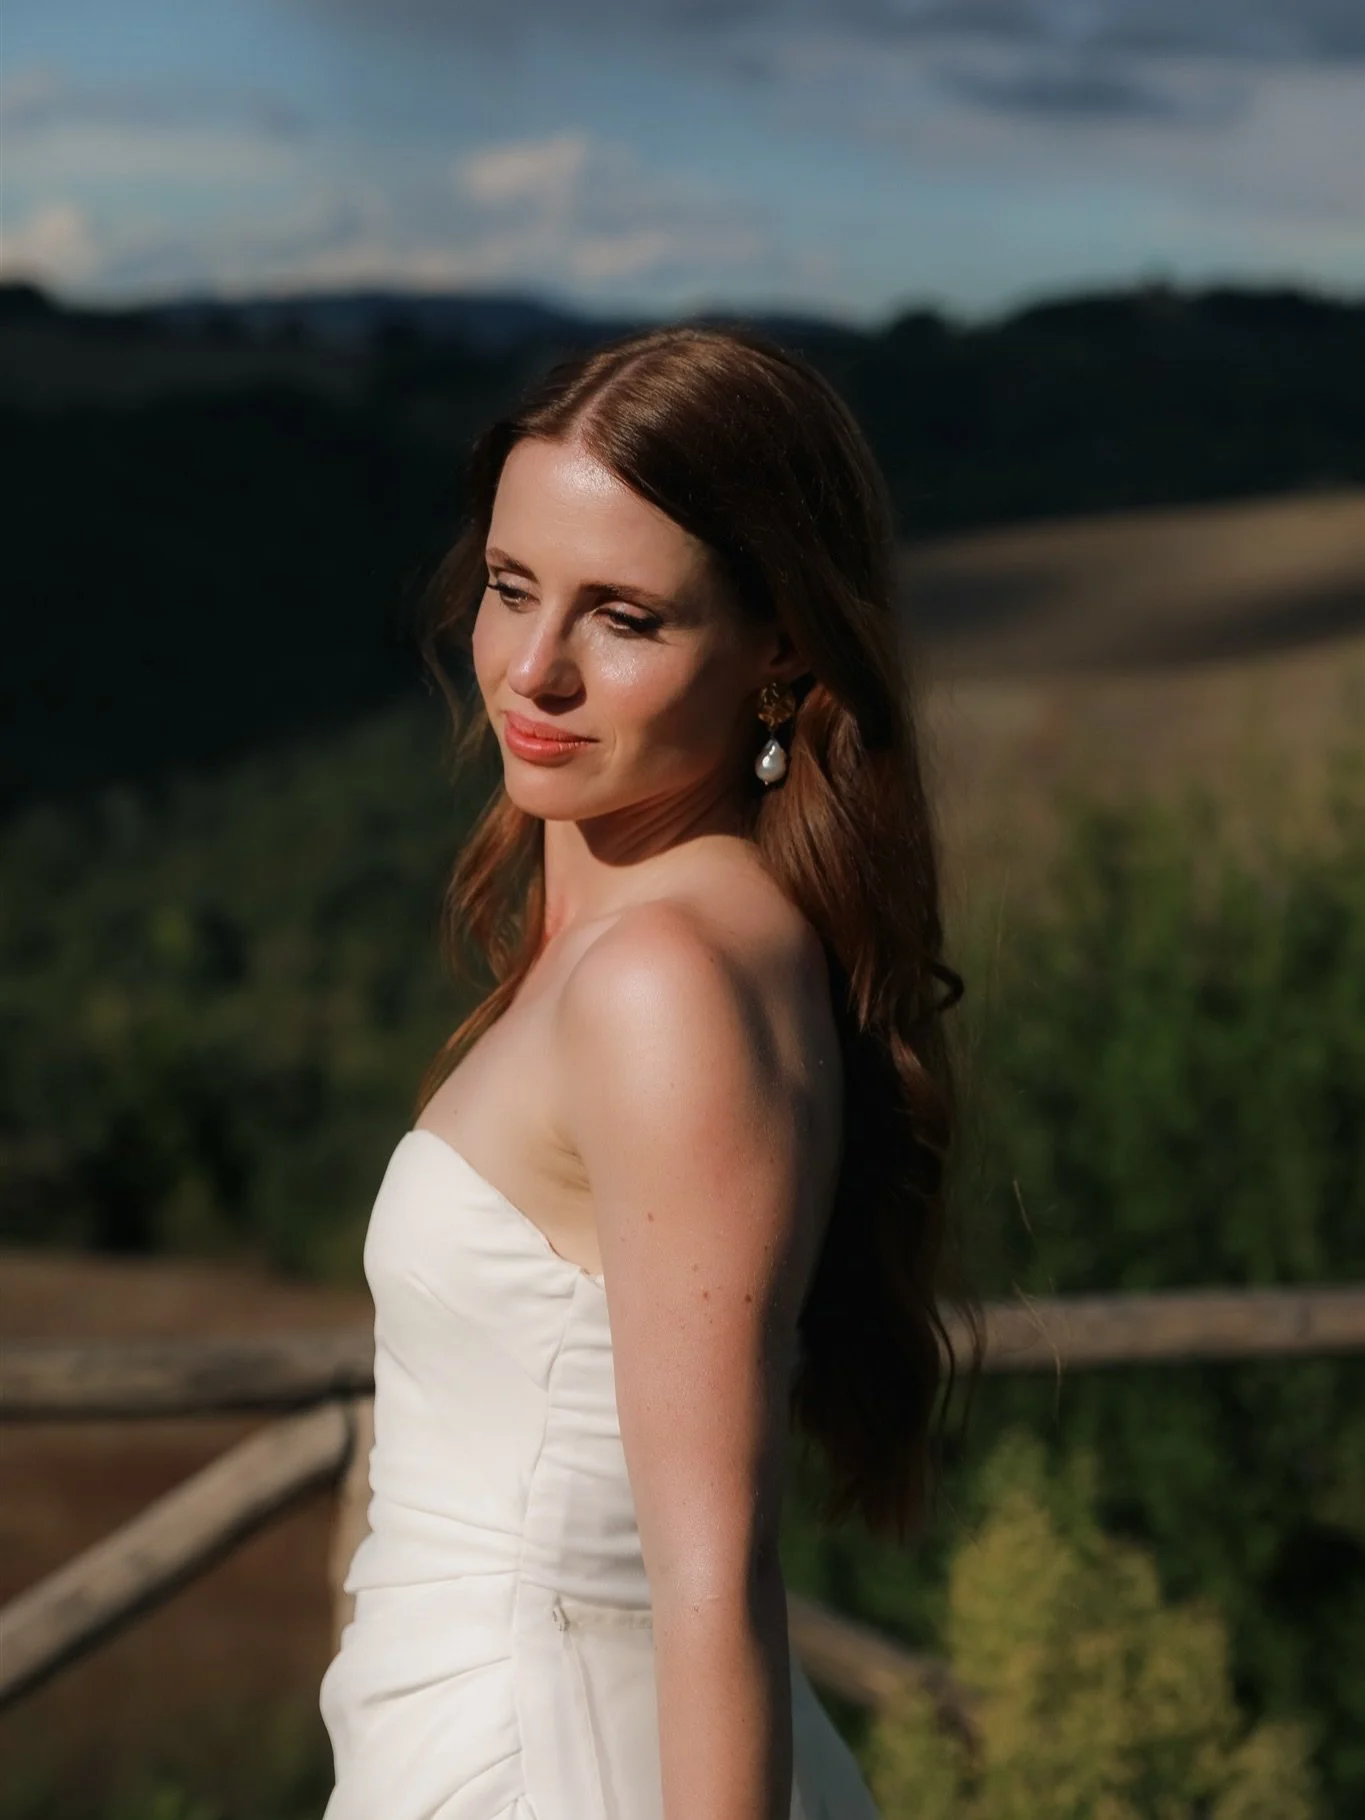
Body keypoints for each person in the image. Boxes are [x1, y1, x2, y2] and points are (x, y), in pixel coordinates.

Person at [318, 322, 965, 1820]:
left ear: (782, 644)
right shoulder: (653, 930)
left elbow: (711, 1562)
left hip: (566, 1763)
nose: (534, 670)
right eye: (508, 587)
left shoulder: (664, 983)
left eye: (624, 616)